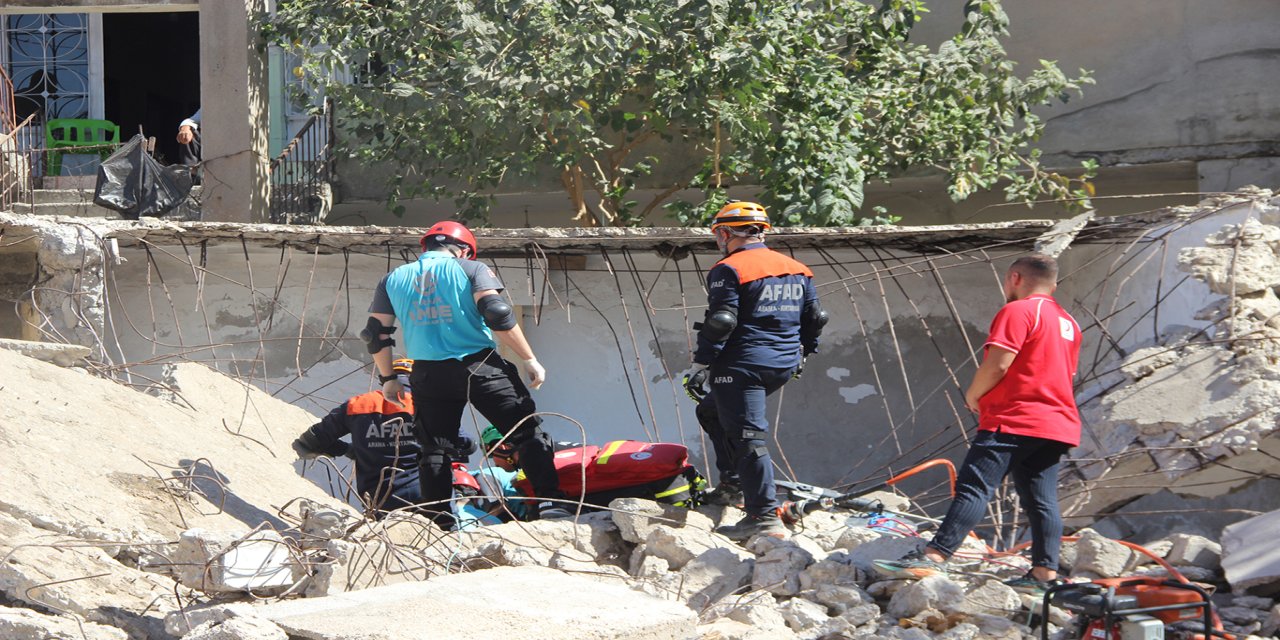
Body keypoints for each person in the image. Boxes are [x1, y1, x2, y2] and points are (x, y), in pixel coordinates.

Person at [876, 254, 1082, 592]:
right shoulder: (1068, 322)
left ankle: (934, 557)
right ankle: (1044, 576)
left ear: (1014, 278)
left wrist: (974, 394)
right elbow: (1067, 374)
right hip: (1057, 422)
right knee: (1041, 500)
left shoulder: (1018, 311)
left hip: (1014, 418)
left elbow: (1000, 363)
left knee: (974, 487)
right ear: (1054, 285)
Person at [363, 221, 570, 528]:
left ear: (427, 247)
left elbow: (375, 333)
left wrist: (388, 378)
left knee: (434, 450)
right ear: (463, 249)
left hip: (428, 374)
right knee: (526, 434)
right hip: (479, 367)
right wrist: (529, 358)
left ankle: (439, 522)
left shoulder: (392, 279)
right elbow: (496, 312)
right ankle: (551, 505)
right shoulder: (471, 269)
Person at [682, 201, 827, 541]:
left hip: (743, 365)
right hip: (782, 363)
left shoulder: (729, 268)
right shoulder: (797, 268)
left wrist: (700, 364)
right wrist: (804, 353)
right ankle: (733, 485)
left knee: (748, 437)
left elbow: (722, 321)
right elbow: (816, 318)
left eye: (719, 233)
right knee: (712, 411)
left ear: (725, 232)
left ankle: (763, 515)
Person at [291, 357, 422, 515]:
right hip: (428, 498)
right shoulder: (430, 406)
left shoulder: (359, 404)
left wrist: (349, 450)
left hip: (379, 502)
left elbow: (311, 441)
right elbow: (458, 448)